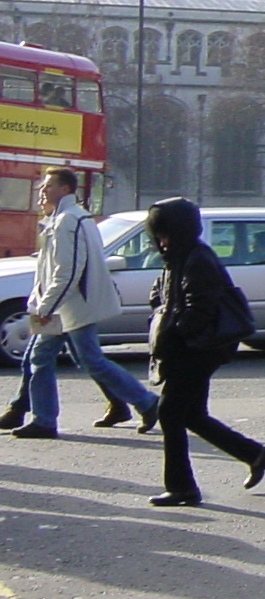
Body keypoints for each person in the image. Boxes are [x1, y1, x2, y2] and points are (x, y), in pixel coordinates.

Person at [6, 169, 161, 439]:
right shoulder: (64, 218)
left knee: (62, 359)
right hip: (63, 303)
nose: (42, 189)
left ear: (65, 189)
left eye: (49, 184)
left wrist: (46, 306)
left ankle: (45, 420)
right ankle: (127, 405)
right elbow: (50, 268)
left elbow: (68, 270)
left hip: (69, 305)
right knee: (71, 358)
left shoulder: (68, 220)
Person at [143, 197, 265, 506]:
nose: (158, 239)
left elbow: (199, 309)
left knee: (170, 412)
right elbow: (162, 294)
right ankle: (255, 454)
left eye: (162, 232)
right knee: (192, 414)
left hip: (199, 348)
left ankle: (182, 487)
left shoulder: (196, 258)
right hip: (194, 347)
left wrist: (174, 334)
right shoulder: (179, 255)